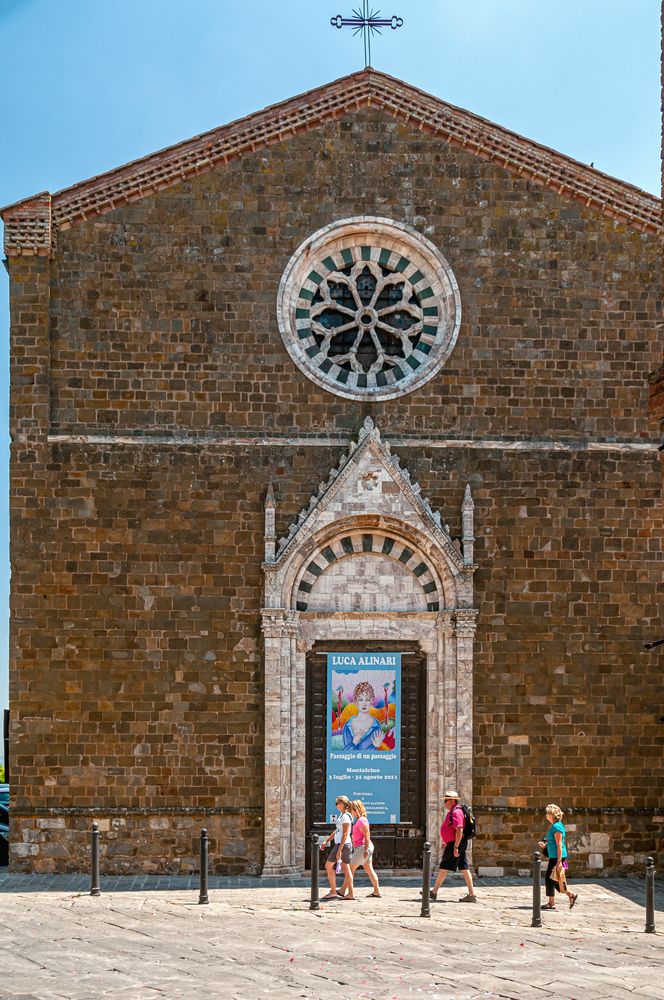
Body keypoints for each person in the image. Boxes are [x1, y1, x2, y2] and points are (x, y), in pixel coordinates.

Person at [429, 791, 477, 902]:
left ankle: (434, 892)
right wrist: (446, 841)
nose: (444, 803)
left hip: (456, 843)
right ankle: (471, 895)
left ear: (451, 801)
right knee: (464, 868)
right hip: (454, 843)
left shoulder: (456, 812)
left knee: (444, 867)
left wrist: (456, 847)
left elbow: (459, 829)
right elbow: (451, 829)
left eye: (446, 801)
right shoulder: (453, 812)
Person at [338, 800, 381, 899]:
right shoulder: (360, 820)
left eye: (351, 809)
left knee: (349, 869)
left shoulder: (361, 820)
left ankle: (347, 892)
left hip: (362, 847)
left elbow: (367, 835)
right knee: (369, 869)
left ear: (356, 809)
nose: (349, 811)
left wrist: (365, 850)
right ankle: (376, 891)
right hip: (363, 847)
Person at [538, 803, 578, 910]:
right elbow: (552, 842)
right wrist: (544, 845)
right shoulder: (556, 825)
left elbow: (559, 844)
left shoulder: (556, 826)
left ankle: (553, 902)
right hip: (555, 856)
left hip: (557, 857)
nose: (546, 815)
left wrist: (559, 861)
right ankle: (570, 895)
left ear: (552, 814)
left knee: (550, 879)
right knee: (554, 879)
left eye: (547, 813)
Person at [319, 795, 353, 900]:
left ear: (342, 804)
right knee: (346, 869)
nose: (336, 805)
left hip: (343, 844)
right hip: (342, 844)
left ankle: (335, 891)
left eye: (337, 803)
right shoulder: (342, 816)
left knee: (329, 866)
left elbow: (345, 834)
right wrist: (326, 840)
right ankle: (348, 893)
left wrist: (339, 850)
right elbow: (337, 831)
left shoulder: (346, 817)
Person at [341, 682, 384, 752]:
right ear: (356, 702)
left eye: (367, 699)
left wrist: (376, 746)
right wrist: (354, 743)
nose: (364, 704)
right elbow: (344, 755)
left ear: (372, 701)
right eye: (361, 700)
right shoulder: (349, 725)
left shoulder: (376, 726)